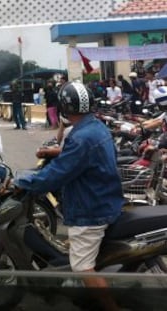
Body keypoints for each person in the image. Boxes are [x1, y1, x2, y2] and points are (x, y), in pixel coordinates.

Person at [14, 81, 124, 311]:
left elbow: (55, 175)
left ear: (64, 108)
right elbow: (74, 158)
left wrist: (22, 180)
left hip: (91, 210)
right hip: (105, 199)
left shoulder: (82, 137)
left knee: (82, 267)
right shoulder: (96, 128)